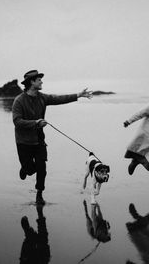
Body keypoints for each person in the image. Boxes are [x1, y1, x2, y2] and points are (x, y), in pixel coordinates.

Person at [12, 70, 92, 204]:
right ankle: (26, 169)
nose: (41, 81)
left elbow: (59, 99)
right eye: (39, 80)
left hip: (39, 140)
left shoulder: (42, 98)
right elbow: (17, 121)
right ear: (31, 82)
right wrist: (35, 123)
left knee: (42, 168)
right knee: (31, 170)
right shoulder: (19, 101)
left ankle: (39, 194)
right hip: (24, 142)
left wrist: (78, 95)